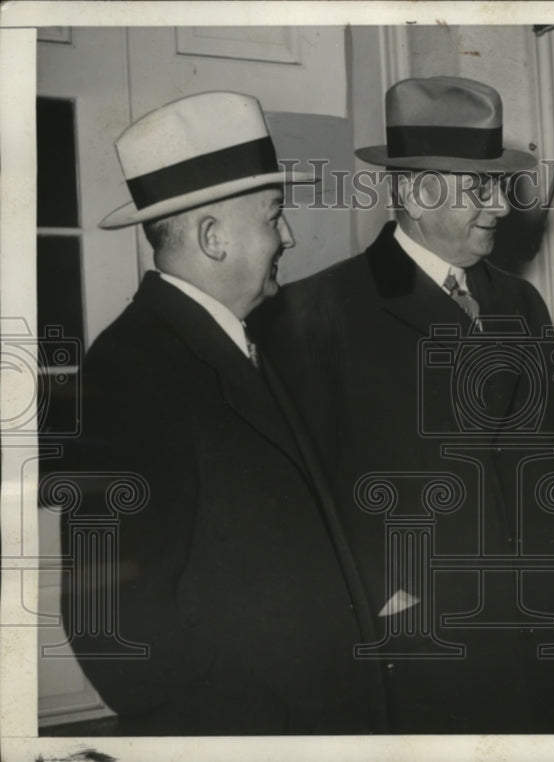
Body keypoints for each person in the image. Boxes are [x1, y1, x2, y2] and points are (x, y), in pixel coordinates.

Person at [250, 76, 554, 733]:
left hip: (547, 638)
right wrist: (381, 598)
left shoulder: (521, 302)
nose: (501, 207)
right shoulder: (313, 314)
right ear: (418, 194)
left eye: (501, 186)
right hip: (422, 652)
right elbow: (296, 500)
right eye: (481, 188)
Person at [57, 91, 387, 735]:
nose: (288, 236)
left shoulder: (239, 341)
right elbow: (111, 625)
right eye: (273, 216)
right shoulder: (129, 371)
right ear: (213, 237)